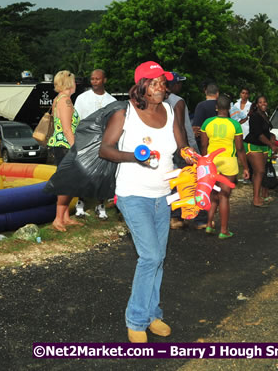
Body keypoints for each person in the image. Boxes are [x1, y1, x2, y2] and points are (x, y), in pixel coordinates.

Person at [99, 61, 192, 343]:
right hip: (132, 193)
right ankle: (136, 319)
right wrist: (134, 156)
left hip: (162, 196)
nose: (161, 87)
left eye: (162, 82)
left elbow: (181, 146)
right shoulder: (125, 113)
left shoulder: (169, 110)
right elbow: (106, 150)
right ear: (141, 87)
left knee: (158, 258)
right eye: (154, 83)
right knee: (150, 256)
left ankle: (153, 314)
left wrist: (194, 159)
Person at [200, 95, 250, 239]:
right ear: (229, 109)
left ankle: (209, 224)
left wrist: (205, 162)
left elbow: (203, 145)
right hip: (228, 162)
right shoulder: (235, 125)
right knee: (224, 196)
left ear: (216, 107)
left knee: (213, 194)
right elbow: (240, 149)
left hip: (212, 162)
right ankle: (224, 230)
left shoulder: (207, 123)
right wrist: (245, 167)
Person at [73, 69, 116, 220]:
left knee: (103, 175)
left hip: (103, 142)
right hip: (86, 141)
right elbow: (76, 120)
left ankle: (100, 205)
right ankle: (80, 204)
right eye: (92, 79)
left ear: (104, 80)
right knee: (84, 173)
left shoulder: (111, 101)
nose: (95, 82)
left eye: (98, 79)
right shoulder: (82, 98)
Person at [46, 70, 83, 230]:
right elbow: (67, 130)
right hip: (65, 146)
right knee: (67, 183)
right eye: (74, 81)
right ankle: (58, 219)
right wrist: (76, 150)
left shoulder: (58, 99)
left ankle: (65, 217)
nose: (76, 84)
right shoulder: (65, 101)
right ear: (69, 83)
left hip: (59, 145)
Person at [164, 72, 198, 230]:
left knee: (171, 180)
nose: (181, 86)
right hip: (180, 146)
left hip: (167, 145)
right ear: (173, 85)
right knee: (185, 180)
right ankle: (178, 216)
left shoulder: (160, 100)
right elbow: (180, 126)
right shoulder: (178, 101)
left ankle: (172, 215)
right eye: (179, 83)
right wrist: (185, 148)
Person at [188, 82, 220, 229]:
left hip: (204, 149)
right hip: (220, 150)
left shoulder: (201, 106)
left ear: (205, 92)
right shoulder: (222, 105)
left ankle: (201, 217)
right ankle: (208, 217)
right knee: (215, 185)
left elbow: (196, 128)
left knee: (202, 183)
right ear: (217, 93)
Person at [244, 95, 278, 207]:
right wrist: (271, 145)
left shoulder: (265, 115)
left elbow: (266, 132)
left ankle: (259, 196)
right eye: (260, 102)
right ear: (257, 104)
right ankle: (256, 199)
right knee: (260, 172)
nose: (263, 104)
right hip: (253, 145)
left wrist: (272, 137)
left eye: (265, 102)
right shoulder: (254, 116)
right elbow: (258, 134)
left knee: (258, 172)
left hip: (263, 146)